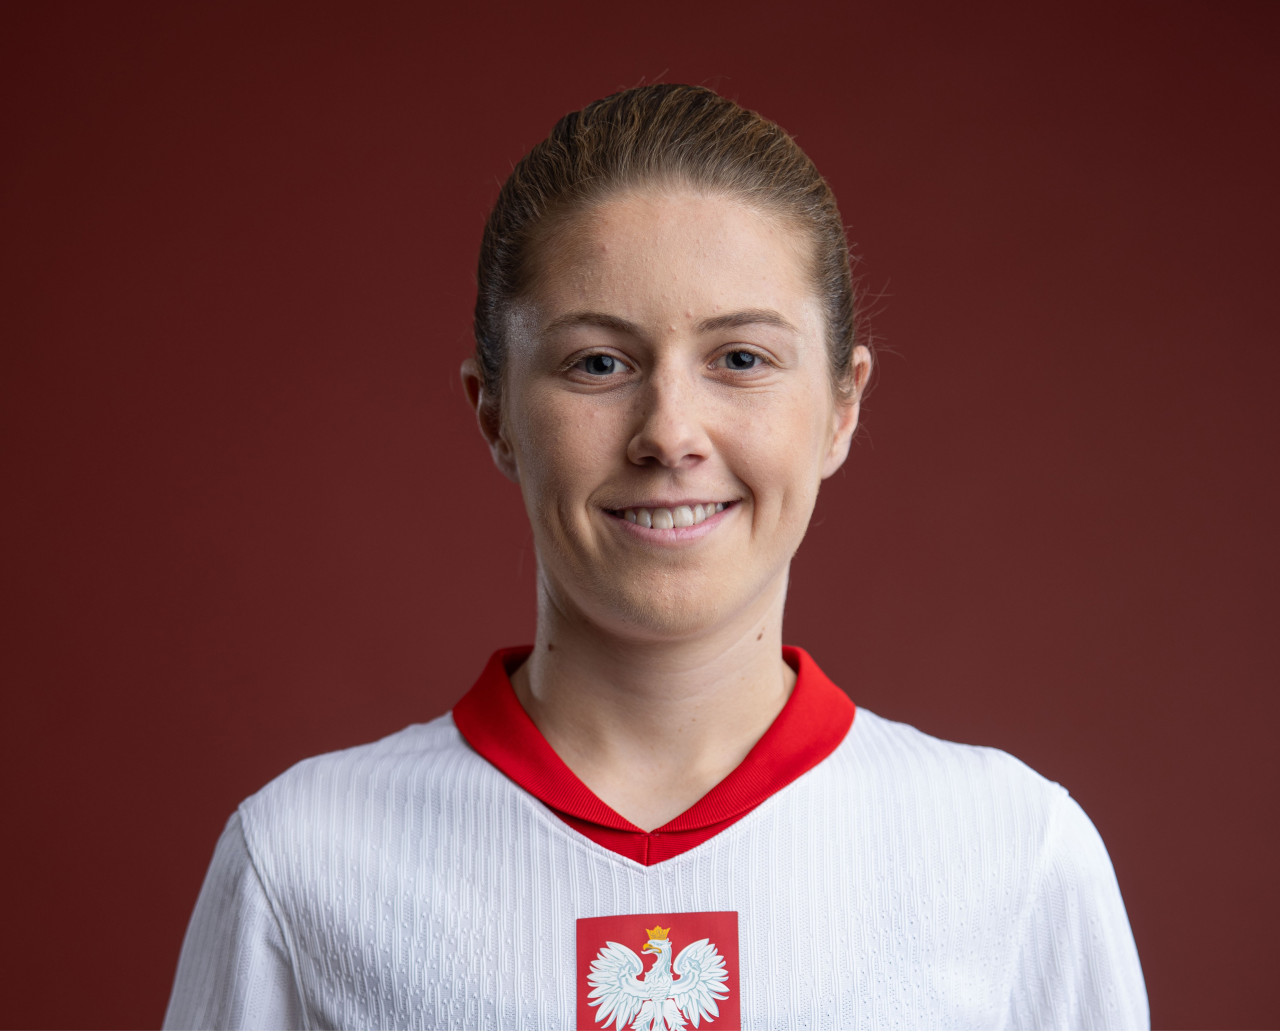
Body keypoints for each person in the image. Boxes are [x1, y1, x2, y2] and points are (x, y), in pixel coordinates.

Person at [163, 84, 1148, 1030]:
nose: (669, 433)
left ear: (841, 408)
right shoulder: (299, 859)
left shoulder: (1016, 854)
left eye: (740, 359)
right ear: (494, 413)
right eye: (598, 362)